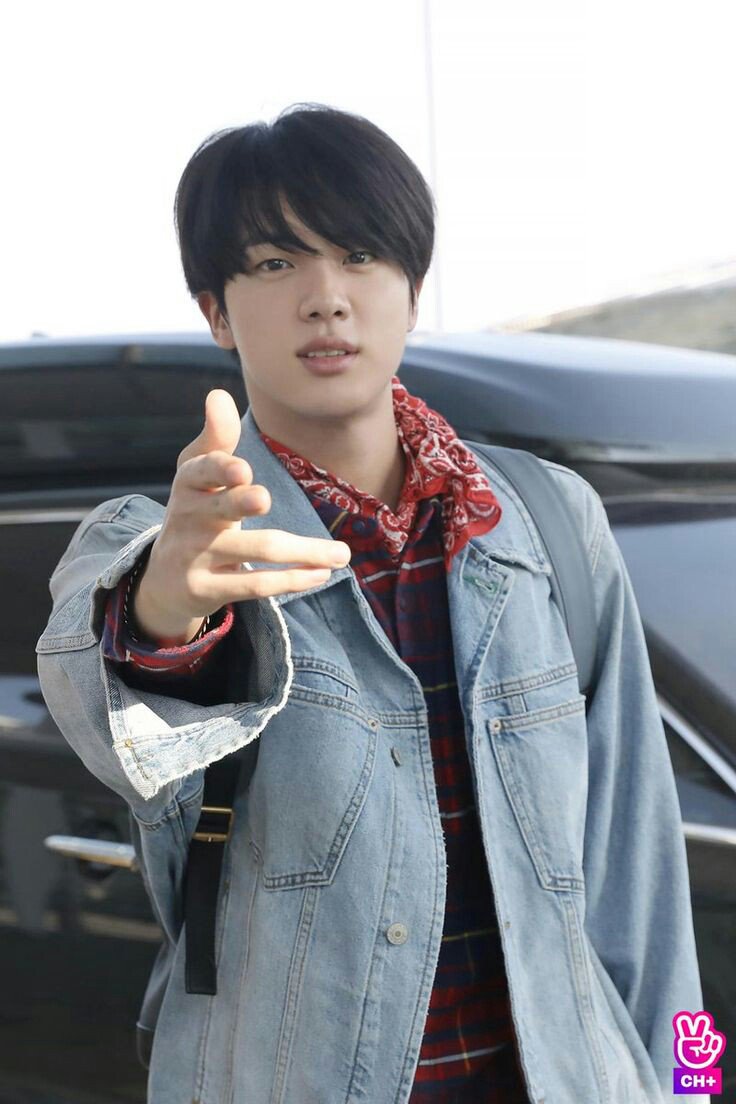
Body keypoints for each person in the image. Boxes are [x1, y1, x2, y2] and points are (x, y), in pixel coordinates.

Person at [36, 103, 705, 1104]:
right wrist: (167, 614)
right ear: (217, 312)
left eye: (359, 256)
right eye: (274, 264)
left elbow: (642, 876)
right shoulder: (167, 541)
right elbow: (103, 694)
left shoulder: (547, 522)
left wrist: (694, 1084)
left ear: (412, 290)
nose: (325, 299)